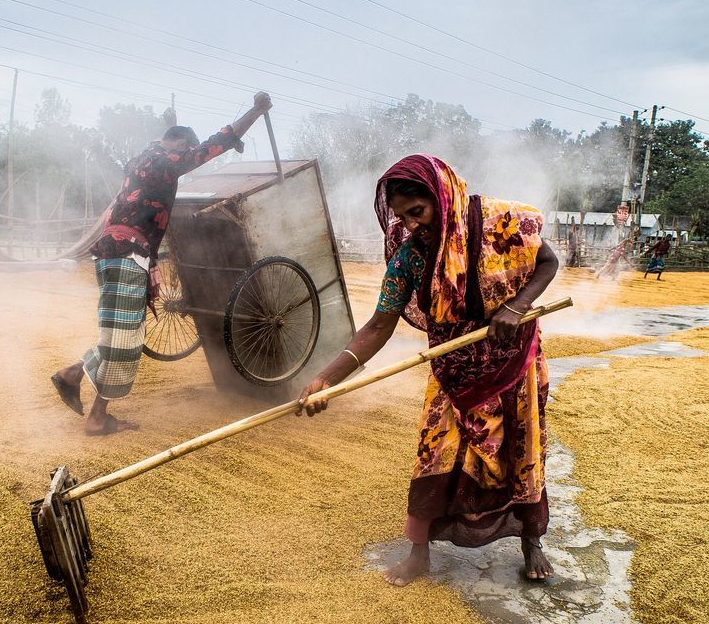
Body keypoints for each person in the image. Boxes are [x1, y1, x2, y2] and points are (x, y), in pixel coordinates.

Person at [297, 154, 559, 586]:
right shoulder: (410, 258)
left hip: (512, 360)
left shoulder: (498, 221)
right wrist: (328, 377)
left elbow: (547, 262)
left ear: (440, 197)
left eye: (416, 212)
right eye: (401, 217)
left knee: (521, 450)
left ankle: (532, 540)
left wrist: (516, 306)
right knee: (434, 450)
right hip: (452, 368)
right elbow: (379, 324)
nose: (410, 225)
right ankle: (418, 554)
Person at [52, 92, 273, 435]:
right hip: (129, 256)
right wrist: (257, 111)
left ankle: (72, 374)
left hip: (109, 253)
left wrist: (171, 125)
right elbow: (220, 141)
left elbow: (171, 137)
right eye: (186, 149)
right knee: (126, 340)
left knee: (118, 331)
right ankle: (97, 417)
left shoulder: (143, 157)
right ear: (181, 145)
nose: (186, 156)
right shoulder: (169, 161)